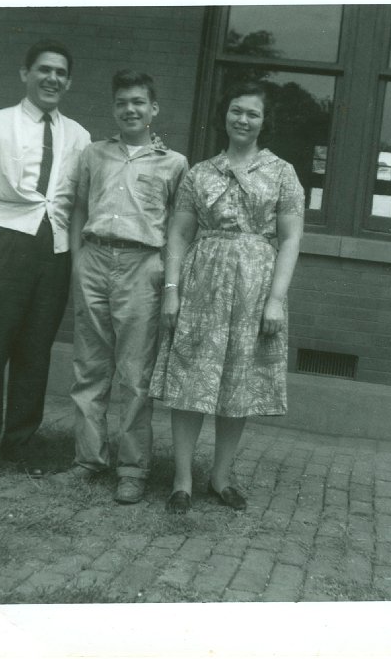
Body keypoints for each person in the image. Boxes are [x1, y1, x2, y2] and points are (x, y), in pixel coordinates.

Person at [150, 81, 305, 514]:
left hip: (255, 287)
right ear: (225, 114)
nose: (242, 119)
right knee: (191, 379)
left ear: (263, 122)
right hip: (202, 284)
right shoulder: (199, 173)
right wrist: (171, 291)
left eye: (252, 114)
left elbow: (291, 239)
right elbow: (179, 234)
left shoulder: (282, 173)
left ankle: (220, 477)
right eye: (236, 110)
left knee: (238, 380)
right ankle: (182, 480)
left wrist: (276, 298)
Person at [0, 40, 91, 484]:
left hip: (54, 253)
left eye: (61, 73)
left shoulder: (79, 136)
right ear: (25, 73)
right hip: (1, 245)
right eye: (44, 70)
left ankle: (20, 444)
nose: (52, 78)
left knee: (34, 353)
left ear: (68, 81)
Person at [67, 70, 189, 504]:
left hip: (142, 265)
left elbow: (178, 227)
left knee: (136, 373)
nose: (130, 109)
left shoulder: (173, 163)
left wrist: (167, 276)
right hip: (95, 260)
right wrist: (79, 259)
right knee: (90, 367)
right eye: (122, 102)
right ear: (114, 108)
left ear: (153, 109)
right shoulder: (94, 154)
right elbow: (79, 206)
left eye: (139, 102)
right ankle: (88, 459)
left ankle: (133, 468)